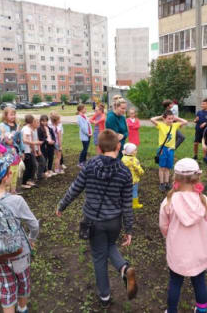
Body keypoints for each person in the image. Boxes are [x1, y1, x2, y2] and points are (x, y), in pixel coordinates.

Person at [56, 129, 138, 309]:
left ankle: (104, 296)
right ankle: (124, 269)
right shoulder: (125, 172)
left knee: (99, 257)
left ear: (99, 148)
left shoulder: (90, 165)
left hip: (93, 220)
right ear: (118, 146)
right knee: (109, 245)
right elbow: (127, 204)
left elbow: (75, 188)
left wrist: (62, 205)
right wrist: (129, 229)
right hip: (114, 221)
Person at [0, 156, 39, 313]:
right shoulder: (16, 201)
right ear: (6, 177)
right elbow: (34, 224)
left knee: (6, 287)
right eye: (9, 171)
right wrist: (31, 239)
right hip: (19, 252)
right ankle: (22, 307)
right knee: (23, 282)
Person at [159, 158, 207, 313]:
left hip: (177, 252)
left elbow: (164, 226)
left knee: (175, 283)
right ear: (197, 178)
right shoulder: (205, 202)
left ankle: (171, 311)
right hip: (199, 251)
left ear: (175, 178)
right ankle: (201, 310)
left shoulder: (168, 202)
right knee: (199, 282)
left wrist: (169, 236)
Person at [150, 110, 188, 191]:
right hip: (163, 149)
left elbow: (185, 121)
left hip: (170, 150)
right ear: (164, 119)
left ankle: (167, 183)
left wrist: (176, 118)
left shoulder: (174, 125)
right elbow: (152, 119)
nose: (170, 120)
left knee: (168, 168)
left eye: (171, 119)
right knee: (162, 167)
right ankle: (161, 183)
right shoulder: (161, 125)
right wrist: (161, 116)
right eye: (168, 119)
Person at [0, 107, 24, 194]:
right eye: (11, 114)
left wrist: (22, 151)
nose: (13, 116)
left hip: (15, 154)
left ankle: (13, 190)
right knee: (8, 172)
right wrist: (5, 140)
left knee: (15, 171)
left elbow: (20, 140)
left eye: (14, 114)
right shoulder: (1, 126)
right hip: (6, 154)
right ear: (5, 115)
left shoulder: (16, 125)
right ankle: (6, 191)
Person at [121, 143, 144, 209]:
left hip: (125, 179)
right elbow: (138, 169)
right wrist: (142, 172)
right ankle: (135, 204)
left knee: (126, 191)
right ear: (131, 152)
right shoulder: (134, 160)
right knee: (134, 191)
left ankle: (125, 203)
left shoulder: (123, 158)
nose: (136, 151)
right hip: (133, 179)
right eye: (135, 150)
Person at [21, 115, 39, 189]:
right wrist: (34, 143)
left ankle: (28, 180)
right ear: (31, 122)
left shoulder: (27, 128)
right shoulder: (26, 129)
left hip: (28, 150)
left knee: (31, 166)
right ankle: (24, 182)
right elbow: (25, 140)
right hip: (26, 151)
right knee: (28, 167)